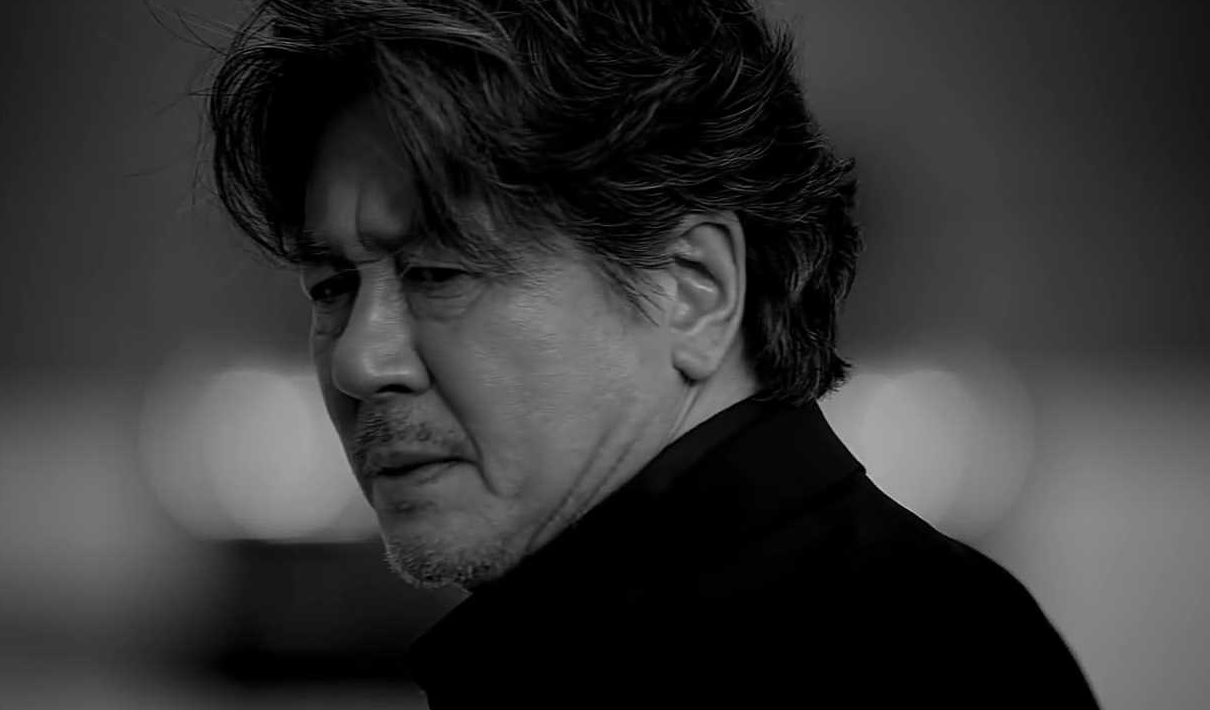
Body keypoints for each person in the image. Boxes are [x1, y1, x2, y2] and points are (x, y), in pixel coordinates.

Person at [205, 0, 1100, 706]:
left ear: (694, 288)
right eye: (330, 287)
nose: (358, 362)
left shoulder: (904, 659)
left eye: (439, 273)